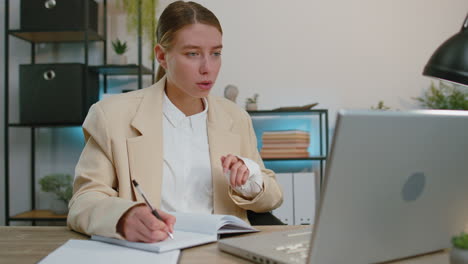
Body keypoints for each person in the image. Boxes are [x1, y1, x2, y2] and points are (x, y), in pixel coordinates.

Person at [67, 1, 283, 243]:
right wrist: (124, 217)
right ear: (161, 56)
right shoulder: (111, 116)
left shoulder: (236, 117)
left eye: (216, 53)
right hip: (150, 250)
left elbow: (272, 196)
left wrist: (249, 178)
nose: (207, 68)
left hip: (222, 251)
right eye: (192, 54)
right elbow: (84, 201)